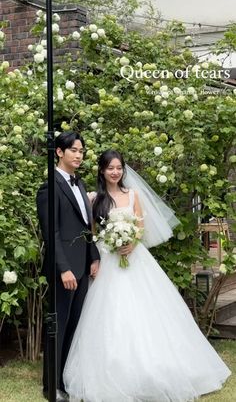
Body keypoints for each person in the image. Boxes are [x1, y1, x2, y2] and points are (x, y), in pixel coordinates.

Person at [63, 150, 231, 402]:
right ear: (102, 170)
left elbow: (141, 226)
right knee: (110, 314)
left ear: (123, 170)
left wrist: (131, 241)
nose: (115, 172)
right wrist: (105, 248)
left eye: (119, 167)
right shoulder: (95, 198)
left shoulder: (133, 194)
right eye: (110, 168)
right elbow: (92, 232)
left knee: (148, 312)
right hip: (108, 259)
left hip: (136, 259)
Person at [37, 131, 100, 402]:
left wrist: (93, 255)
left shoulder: (80, 184)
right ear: (59, 152)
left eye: (82, 151)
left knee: (75, 326)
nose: (79, 155)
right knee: (59, 327)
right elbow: (51, 233)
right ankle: (51, 386)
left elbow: (86, 226)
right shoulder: (49, 187)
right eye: (73, 150)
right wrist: (63, 268)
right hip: (64, 270)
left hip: (83, 267)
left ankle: (67, 380)